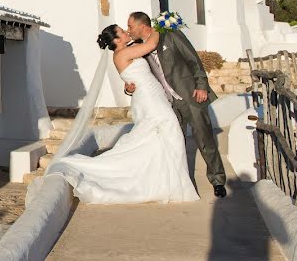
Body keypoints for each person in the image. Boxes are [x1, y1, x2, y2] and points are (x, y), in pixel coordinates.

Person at [46, 25, 199, 204]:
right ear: (117, 40)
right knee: (171, 130)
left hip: (151, 96)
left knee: (159, 137)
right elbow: (150, 45)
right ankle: (174, 182)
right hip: (149, 100)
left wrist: (128, 87)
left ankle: (168, 179)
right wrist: (161, 23)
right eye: (123, 31)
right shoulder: (122, 53)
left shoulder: (126, 51)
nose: (127, 32)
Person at [125, 12, 227, 198]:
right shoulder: (139, 49)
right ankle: (181, 183)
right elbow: (137, 74)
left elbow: (193, 60)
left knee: (205, 140)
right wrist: (129, 88)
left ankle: (218, 180)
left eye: (130, 26)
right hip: (167, 104)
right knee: (175, 144)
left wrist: (202, 86)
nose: (128, 30)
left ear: (142, 26)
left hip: (190, 96)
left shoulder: (171, 36)